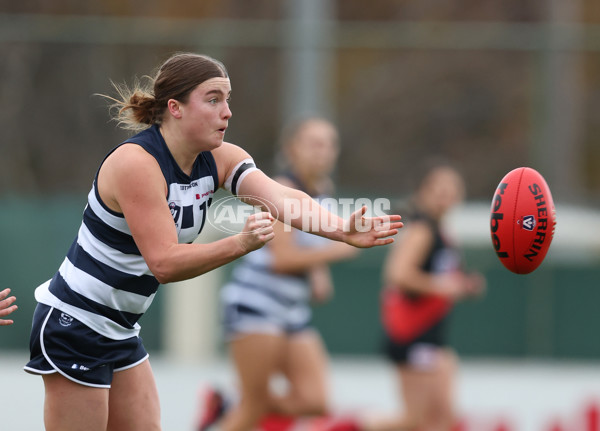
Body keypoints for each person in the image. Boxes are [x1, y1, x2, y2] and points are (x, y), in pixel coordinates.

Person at [23, 52, 403, 431]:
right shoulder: (136, 164)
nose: (227, 112)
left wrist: (341, 230)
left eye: (228, 99)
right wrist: (239, 244)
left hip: (120, 330)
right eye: (213, 99)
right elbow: (165, 262)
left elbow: (284, 198)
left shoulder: (219, 158)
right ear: (175, 108)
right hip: (75, 323)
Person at [196, 116, 360, 431]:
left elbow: (307, 244)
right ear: (291, 149)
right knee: (253, 410)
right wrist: (340, 248)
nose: (322, 152)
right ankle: (234, 405)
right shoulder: (282, 189)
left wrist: (317, 271)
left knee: (316, 401)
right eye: (313, 143)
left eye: (328, 144)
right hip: (257, 305)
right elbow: (282, 258)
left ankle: (226, 403)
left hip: (290, 310)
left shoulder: (322, 190)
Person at [367, 163, 485, 431]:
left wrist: (464, 286)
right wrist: (446, 286)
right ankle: (352, 426)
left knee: (439, 419)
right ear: (422, 192)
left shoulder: (443, 233)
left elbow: (443, 281)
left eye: (452, 188)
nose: (446, 194)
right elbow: (398, 275)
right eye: (438, 188)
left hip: (430, 335)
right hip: (412, 334)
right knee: (417, 419)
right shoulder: (422, 230)